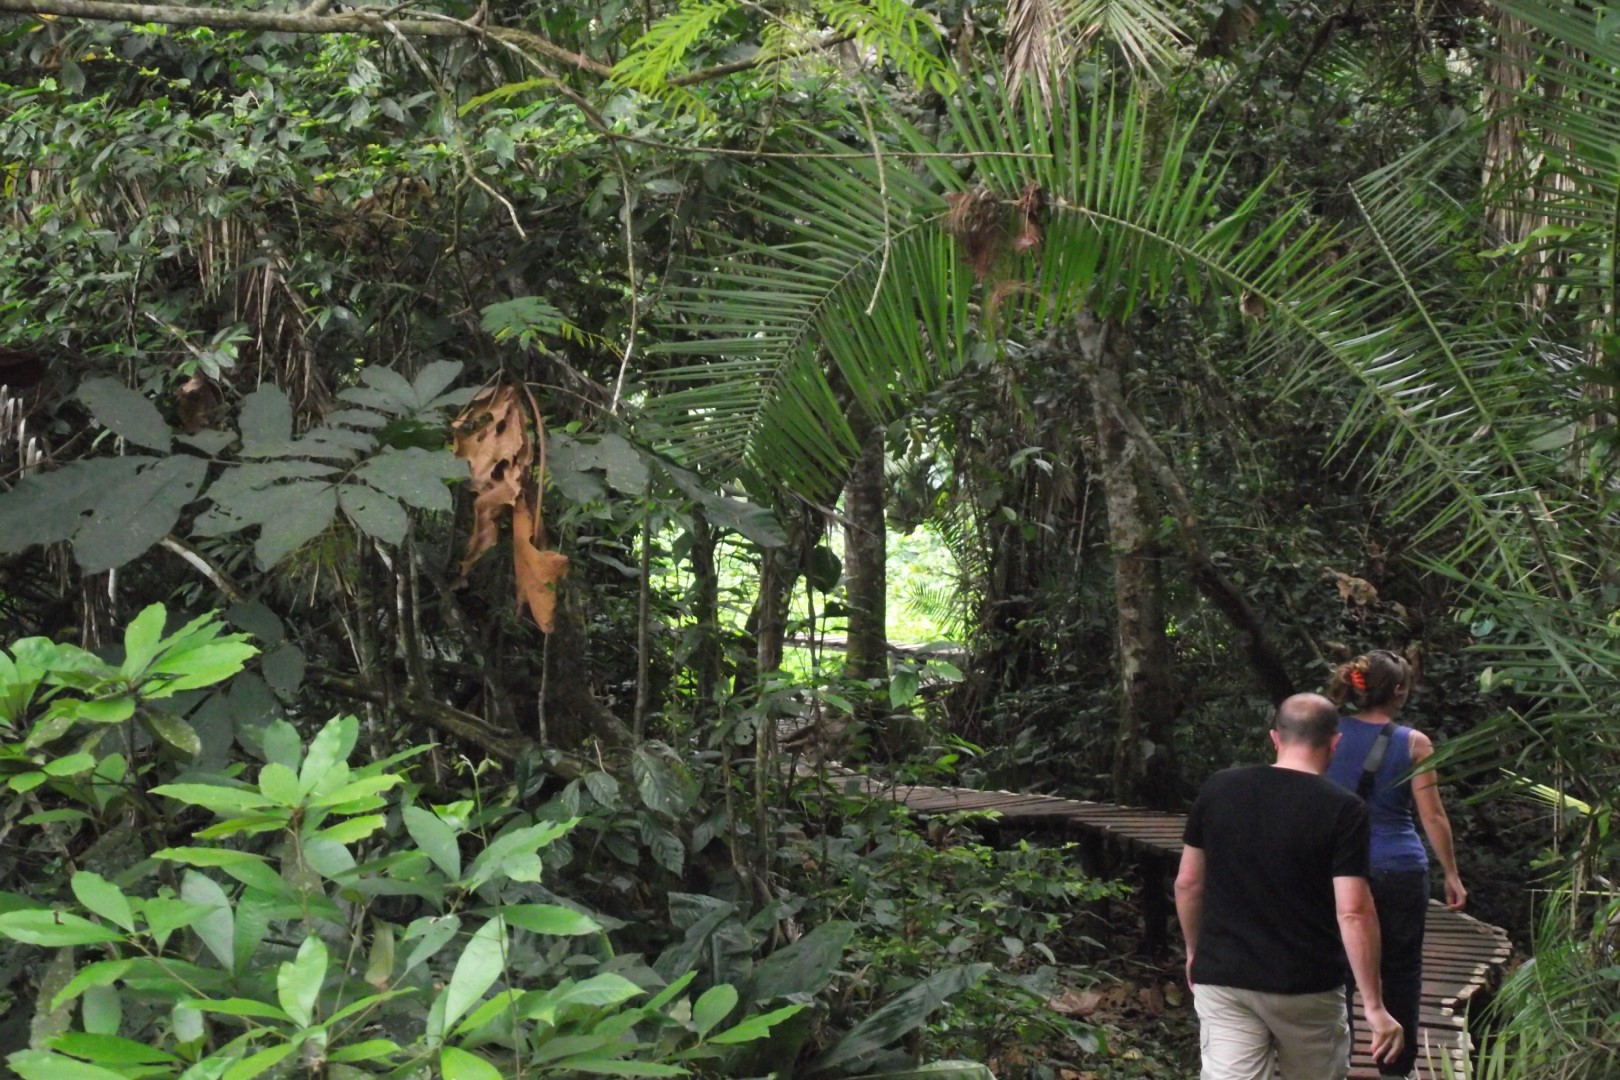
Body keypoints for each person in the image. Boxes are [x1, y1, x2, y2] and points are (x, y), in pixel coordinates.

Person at [1175, 693, 1403, 1080]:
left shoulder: (1219, 788)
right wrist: (1374, 1005)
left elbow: (1188, 882)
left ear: (1275, 738)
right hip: (1306, 984)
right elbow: (1353, 911)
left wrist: (1195, 950)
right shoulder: (1343, 809)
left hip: (1226, 977)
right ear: (1335, 742)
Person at [1325, 649, 1467, 1079]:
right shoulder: (1413, 742)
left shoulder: (1328, 733)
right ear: (1399, 690)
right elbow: (1433, 815)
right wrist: (1452, 874)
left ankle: (1339, 1062)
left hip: (1339, 868)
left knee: (1340, 969)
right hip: (1399, 868)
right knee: (1401, 970)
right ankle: (1397, 1070)